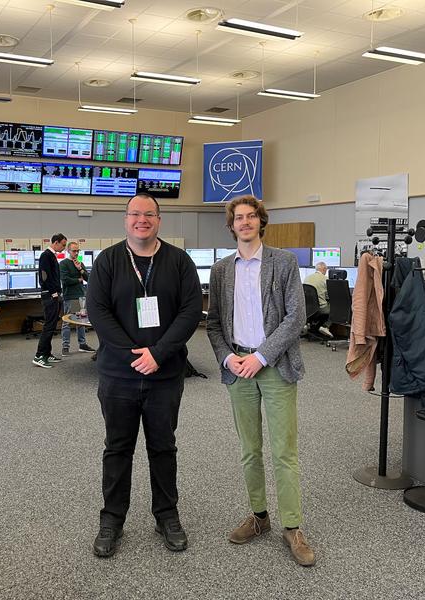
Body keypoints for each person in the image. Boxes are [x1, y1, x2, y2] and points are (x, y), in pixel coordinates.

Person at [87, 193, 202, 558]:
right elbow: (98, 312)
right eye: (135, 214)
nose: (142, 220)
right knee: (117, 449)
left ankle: (166, 515)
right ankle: (112, 520)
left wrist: (158, 353)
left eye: (149, 214)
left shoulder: (179, 261)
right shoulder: (107, 261)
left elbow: (190, 311)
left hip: (165, 375)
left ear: (159, 219)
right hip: (118, 375)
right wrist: (133, 355)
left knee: (163, 448)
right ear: (125, 220)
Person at [206, 195, 315, 567]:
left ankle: (292, 527)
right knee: (249, 450)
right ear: (231, 224)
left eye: (252, 216)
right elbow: (214, 323)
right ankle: (259, 517)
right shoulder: (221, 270)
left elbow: (295, 317)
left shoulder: (283, 262)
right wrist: (228, 357)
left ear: (260, 222)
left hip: (274, 365)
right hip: (237, 366)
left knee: (284, 452)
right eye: (239, 217)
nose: (246, 222)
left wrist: (260, 356)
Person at [33, 233, 67, 368]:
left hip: (54, 294)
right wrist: (53, 293)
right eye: (63, 245)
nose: (64, 248)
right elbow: (44, 276)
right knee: (48, 326)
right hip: (49, 295)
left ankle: (47, 353)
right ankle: (39, 355)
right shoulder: (46, 255)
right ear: (56, 242)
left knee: (52, 325)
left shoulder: (52, 255)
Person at [59, 241, 95, 355]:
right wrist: (78, 280)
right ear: (68, 251)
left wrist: (80, 269)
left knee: (82, 321)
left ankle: (82, 344)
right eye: (74, 251)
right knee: (67, 322)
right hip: (70, 296)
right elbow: (65, 280)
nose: (76, 253)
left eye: (78, 251)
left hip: (81, 295)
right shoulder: (63, 264)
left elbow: (88, 278)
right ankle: (65, 346)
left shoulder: (80, 263)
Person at [303, 261, 333, 338]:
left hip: (308, 308)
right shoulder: (325, 279)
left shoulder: (307, 278)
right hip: (321, 308)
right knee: (337, 308)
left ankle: (312, 326)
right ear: (324, 269)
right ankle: (325, 326)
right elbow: (331, 294)